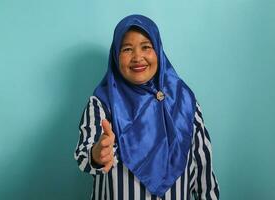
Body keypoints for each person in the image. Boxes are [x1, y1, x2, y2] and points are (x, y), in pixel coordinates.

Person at [74, 14, 219, 200]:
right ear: (115, 56)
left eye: (146, 47)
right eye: (127, 49)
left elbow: (203, 172)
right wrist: (97, 154)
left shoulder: (184, 101)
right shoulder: (102, 104)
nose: (137, 57)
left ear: (158, 51)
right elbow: (83, 156)